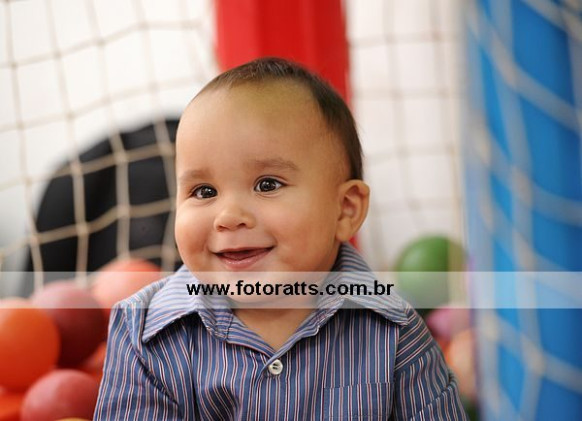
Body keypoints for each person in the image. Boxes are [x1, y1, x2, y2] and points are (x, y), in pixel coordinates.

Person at [94, 57, 468, 420]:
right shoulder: (144, 332)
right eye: (204, 191)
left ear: (345, 210)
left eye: (267, 184)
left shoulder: (395, 333)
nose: (228, 216)